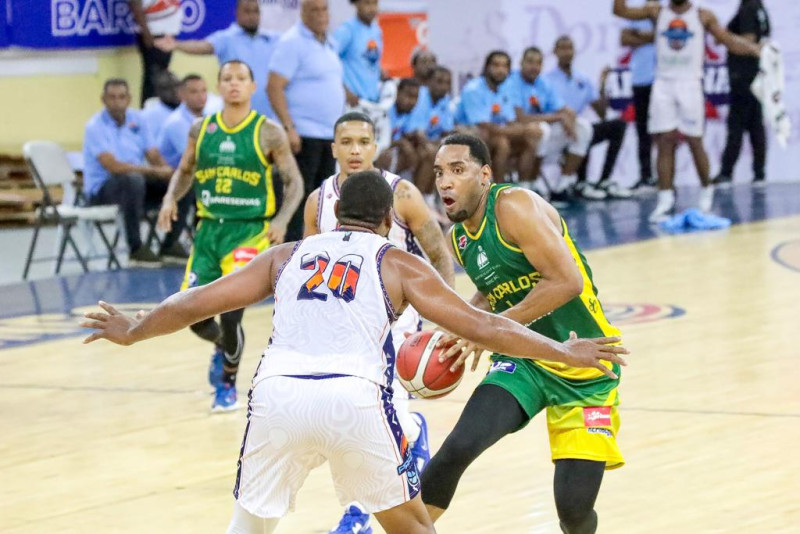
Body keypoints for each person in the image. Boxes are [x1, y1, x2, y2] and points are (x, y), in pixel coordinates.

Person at [81, 169, 629, 534]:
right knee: (412, 526)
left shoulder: (285, 256)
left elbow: (196, 302)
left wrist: (133, 330)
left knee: (248, 524)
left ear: (334, 209)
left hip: (277, 399)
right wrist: (563, 349)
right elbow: (484, 327)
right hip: (354, 402)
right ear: (388, 219)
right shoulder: (397, 262)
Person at [421, 133, 626, 534]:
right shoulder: (460, 239)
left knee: (573, 511)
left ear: (484, 175)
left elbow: (566, 281)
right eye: (439, 172)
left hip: (586, 366)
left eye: (457, 170)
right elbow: (495, 284)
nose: (445, 182)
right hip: (525, 361)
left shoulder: (514, 206)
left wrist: (491, 330)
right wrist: (467, 325)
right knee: (457, 449)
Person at [303, 112, 455, 533]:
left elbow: (439, 255)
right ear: (332, 148)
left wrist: (445, 312)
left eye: (363, 142)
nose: (355, 150)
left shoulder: (401, 193)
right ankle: (409, 436)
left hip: (398, 318)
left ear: (374, 146)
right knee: (349, 416)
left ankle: (358, 513)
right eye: (346, 142)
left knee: (371, 413)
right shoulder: (318, 201)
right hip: (345, 323)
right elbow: (306, 265)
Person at [157, 60, 304, 411]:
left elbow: (294, 182)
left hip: (250, 231)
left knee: (230, 311)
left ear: (252, 87)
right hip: (208, 230)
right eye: (227, 79)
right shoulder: (200, 128)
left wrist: (282, 220)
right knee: (190, 313)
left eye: (241, 79)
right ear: (218, 87)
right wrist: (169, 198)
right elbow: (185, 171)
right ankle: (224, 347)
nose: (234, 84)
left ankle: (227, 384)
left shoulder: (268, 131)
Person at [613, 0, 762, 222]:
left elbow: (728, 41)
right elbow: (620, 10)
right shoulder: (656, 11)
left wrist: (754, 49)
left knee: (695, 141)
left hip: (690, 83)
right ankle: (665, 200)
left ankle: (706, 193)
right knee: (664, 141)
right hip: (663, 83)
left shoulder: (702, 15)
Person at [83, 78, 183, 266]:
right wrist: (153, 170)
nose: (117, 101)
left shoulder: (138, 119)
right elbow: (113, 166)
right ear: (103, 99)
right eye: (112, 97)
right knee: (132, 180)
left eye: (121, 97)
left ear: (128, 99)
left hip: (135, 187)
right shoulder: (95, 126)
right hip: (103, 190)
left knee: (179, 182)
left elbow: (152, 153)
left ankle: (170, 244)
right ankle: (136, 249)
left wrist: (167, 171)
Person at [268, 0, 345, 241]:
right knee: (299, 195)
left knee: (323, 196)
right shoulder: (292, 42)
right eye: (314, 10)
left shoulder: (328, 43)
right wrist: (289, 128)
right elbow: (274, 88)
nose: (321, 15)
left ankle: (316, 246)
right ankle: (291, 248)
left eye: (324, 9)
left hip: (327, 135)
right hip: (304, 134)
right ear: (302, 13)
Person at [155, 0, 280, 120]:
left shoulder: (272, 39)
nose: (252, 16)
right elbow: (204, 46)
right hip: (236, 115)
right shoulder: (226, 39)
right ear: (237, 13)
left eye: (256, 12)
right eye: (247, 12)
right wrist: (177, 45)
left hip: (269, 115)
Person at [546, 36, 633, 199]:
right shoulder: (546, 80)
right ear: (555, 52)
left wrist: (602, 84)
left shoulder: (582, 79)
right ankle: (580, 182)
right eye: (562, 48)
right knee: (582, 129)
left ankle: (604, 180)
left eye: (570, 48)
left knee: (617, 125)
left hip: (577, 128)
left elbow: (601, 113)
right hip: (558, 131)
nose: (567, 52)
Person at [503, 47, 590, 202]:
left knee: (583, 127)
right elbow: (520, 118)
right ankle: (529, 184)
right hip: (519, 136)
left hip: (545, 140)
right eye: (530, 62)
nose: (534, 67)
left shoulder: (542, 82)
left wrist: (569, 116)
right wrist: (559, 117)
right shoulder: (512, 82)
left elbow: (564, 109)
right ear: (521, 62)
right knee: (540, 129)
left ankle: (562, 186)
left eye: (538, 63)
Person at [455, 50, 542, 185]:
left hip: (492, 133)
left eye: (505, 66)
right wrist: (523, 130)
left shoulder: (503, 89)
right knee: (502, 143)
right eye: (496, 65)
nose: (500, 70)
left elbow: (509, 121)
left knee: (530, 138)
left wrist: (527, 130)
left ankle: (526, 186)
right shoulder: (474, 89)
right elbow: (484, 126)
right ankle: (499, 189)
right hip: (468, 133)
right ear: (486, 67)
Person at [715, 0, 771, 187]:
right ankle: (759, 173)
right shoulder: (759, 7)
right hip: (755, 73)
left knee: (736, 124)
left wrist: (724, 37)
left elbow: (749, 39)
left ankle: (726, 173)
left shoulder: (748, 8)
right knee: (755, 123)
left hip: (743, 74)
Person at [620, 0, 660, 189]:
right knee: (642, 130)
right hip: (641, 80)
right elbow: (625, 38)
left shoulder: (667, 15)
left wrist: (643, 36)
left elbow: (669, 37)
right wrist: (654, 37)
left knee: (663, 131)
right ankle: (646, 176)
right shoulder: (637, 15)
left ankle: (663, 176)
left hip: (663, 80)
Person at [128, 0, 181, 106]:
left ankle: (160, 109)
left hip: (167, 34)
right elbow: (135, 4)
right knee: (154, 78)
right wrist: (147, 34)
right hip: (154, 35)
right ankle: (149, 111)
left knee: (162, 75)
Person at [335, 0, 383, 108]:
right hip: (352, 103)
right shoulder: (347, 30)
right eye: (367, 3)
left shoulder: (377, 31)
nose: (372, 8)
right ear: (356, 4)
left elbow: (370, 63)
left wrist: (381, 72)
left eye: (375, 3)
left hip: (372, 103)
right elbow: (328, 62)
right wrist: (344, 90)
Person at [159, 74, 208, 169]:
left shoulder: (208, 117)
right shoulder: (176, 122)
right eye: (194, 92)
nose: (201, 96)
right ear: (182, 95)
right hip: (174, 177)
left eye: (204, 91)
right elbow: (194, 157)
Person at [141, 70, 182, 143]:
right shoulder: (148, 116)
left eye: (177, 86)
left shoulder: (189, 110)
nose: (174, 91)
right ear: (158, 91)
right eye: (167, 88)